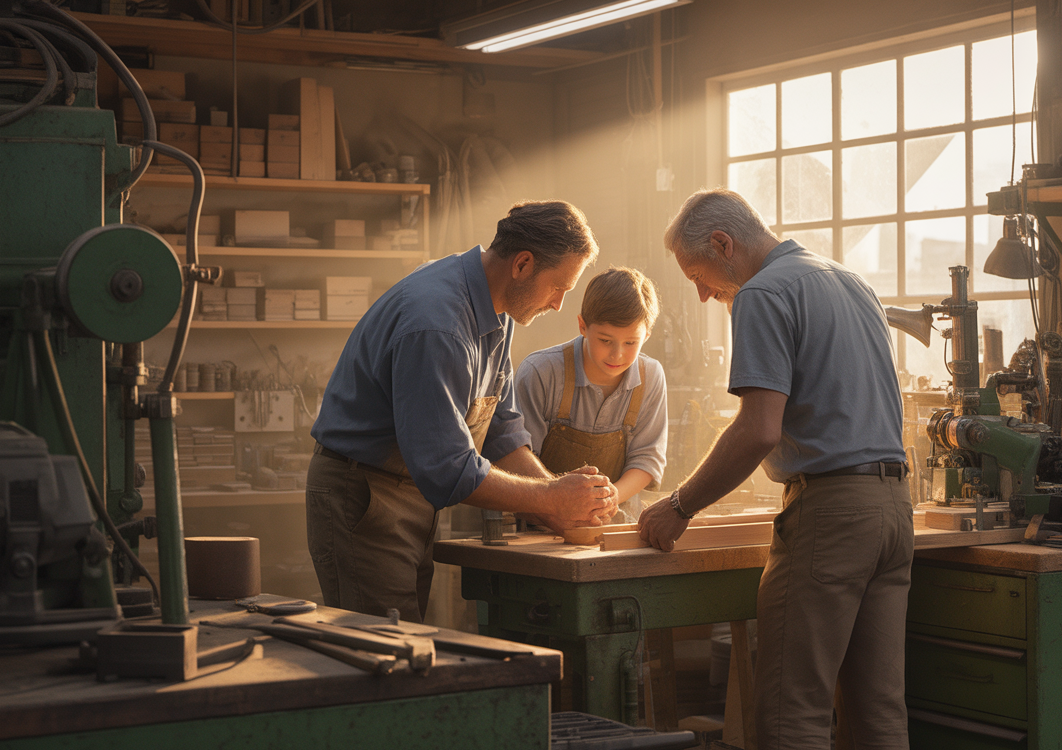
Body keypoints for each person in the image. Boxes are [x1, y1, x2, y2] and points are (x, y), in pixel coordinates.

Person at [637, 189, 910, 749]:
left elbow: (758, 428)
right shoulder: (850, 282)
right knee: (878, 711)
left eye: (699, 274)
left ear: (723, 244)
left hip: (832, 517)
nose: (703, 292)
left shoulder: (763, 293)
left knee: (793, 713)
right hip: (892, 509)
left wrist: (679, 504)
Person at [307, 200, 619, 624]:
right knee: (384, 654)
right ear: (523, 264)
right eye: (559, 287)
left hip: (407, 492)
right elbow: (445, 467)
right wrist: (550, 499)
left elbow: (501, 430)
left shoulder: (497, 307)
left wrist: (558, 499)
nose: (559, 304)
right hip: (363, 493)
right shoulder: (439, 322)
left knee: (407, 637)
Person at [514, 267, 668, 523]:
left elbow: (647, 459)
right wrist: (564, 506)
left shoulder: (651, 377)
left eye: (631, 343)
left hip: (615, 526)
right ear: (582, 326)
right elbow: (519, 460)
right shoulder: (541, 372)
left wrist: (604, 502)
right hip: (542, 526)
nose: (617, 355)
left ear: (647, 335)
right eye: (606, 340)